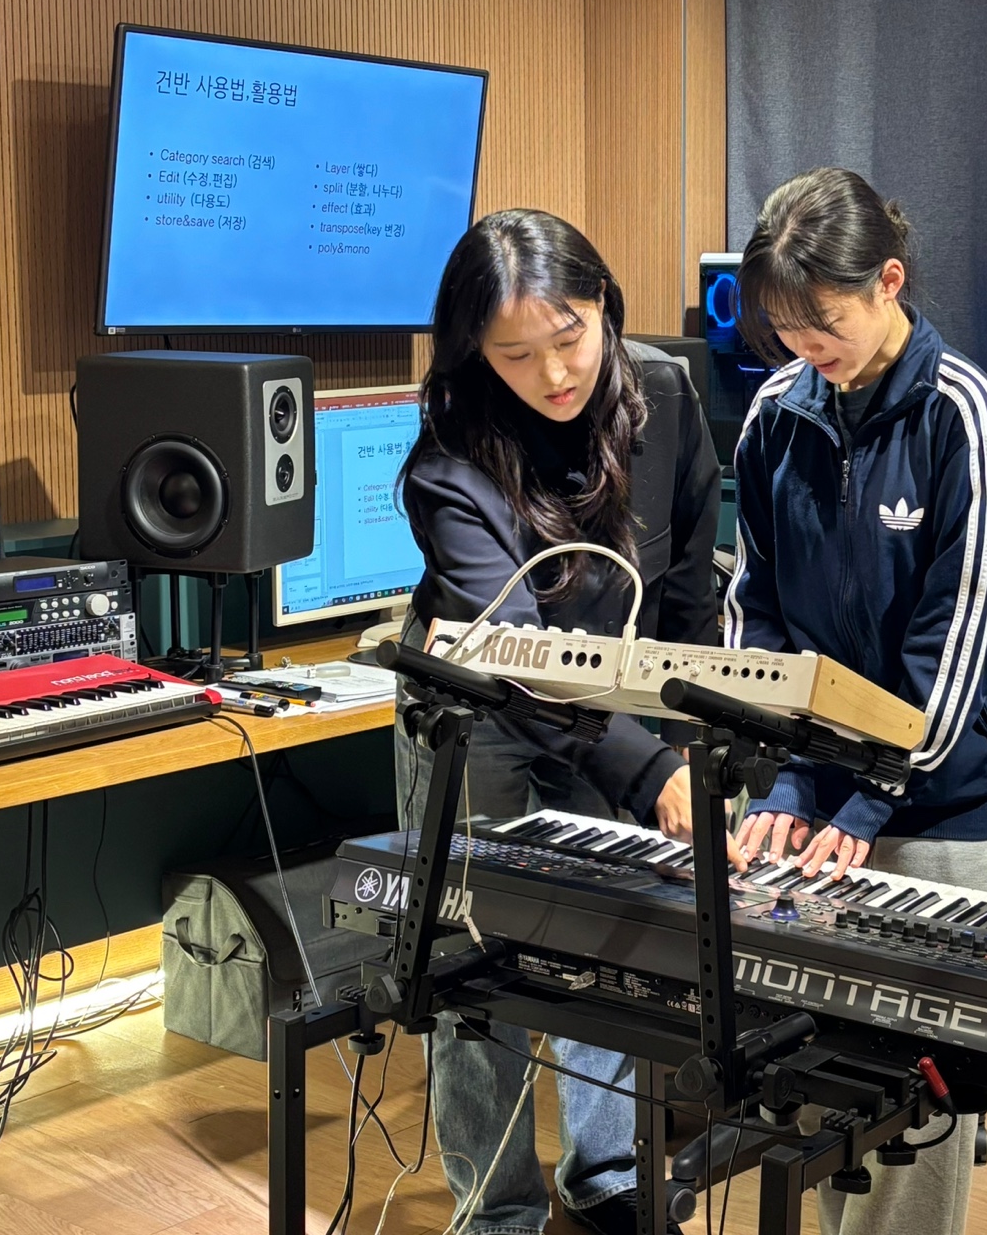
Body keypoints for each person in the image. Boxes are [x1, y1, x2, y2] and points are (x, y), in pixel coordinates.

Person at [393, 209, 723, 1235]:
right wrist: (646, 771)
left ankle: (607, 1169)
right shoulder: (451, 459)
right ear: (475, 355)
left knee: (610, 937)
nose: (553, 373)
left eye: (570, 337)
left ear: (604, 306)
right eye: (515, 355)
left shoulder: (667, 392)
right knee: (475, 955)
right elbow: (518, 658)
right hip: (482, 709)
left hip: (617, 704)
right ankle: (497, 1209)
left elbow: (689, 590)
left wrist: (685, 743)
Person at [727, 167, 987, 1235]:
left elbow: (957, 643)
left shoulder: (964, 414)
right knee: (819, 1068)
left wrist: (867, 798)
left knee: (919, 1087)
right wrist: (784, 776)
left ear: (890, 282)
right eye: (784, 327)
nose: (805, 346)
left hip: (939, 794)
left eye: (825, 321)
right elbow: (758, 610)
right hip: (820, 787)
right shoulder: (776, 414)